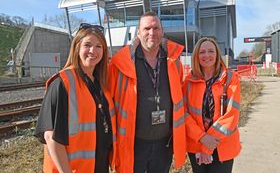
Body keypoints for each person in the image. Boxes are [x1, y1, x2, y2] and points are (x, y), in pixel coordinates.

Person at [109, 12, 186, 173]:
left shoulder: (174, 61)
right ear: (138, 33)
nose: (152, 33)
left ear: (162, 31)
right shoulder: (121, 64)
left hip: (164, 144)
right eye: (147, 28)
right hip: (133, 144)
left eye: (156, 28)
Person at [34, 23, 116, 173]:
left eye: (99, 46)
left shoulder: (100, 85)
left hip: (97, 166)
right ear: (77, 47)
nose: (93, 51)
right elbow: (50, 136)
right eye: (88, 45)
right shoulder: (62, 83)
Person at [183, 37, 241, 173]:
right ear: (197, 56)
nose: (207, 55)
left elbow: (231, 116)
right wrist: (202, 138)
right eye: (202, 52)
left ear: (217, 55)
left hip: (222, 146)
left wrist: (207, 146)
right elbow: (183, 113)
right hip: (196, 144)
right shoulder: (188, 81)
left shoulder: (231, 79)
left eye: (211, 51)